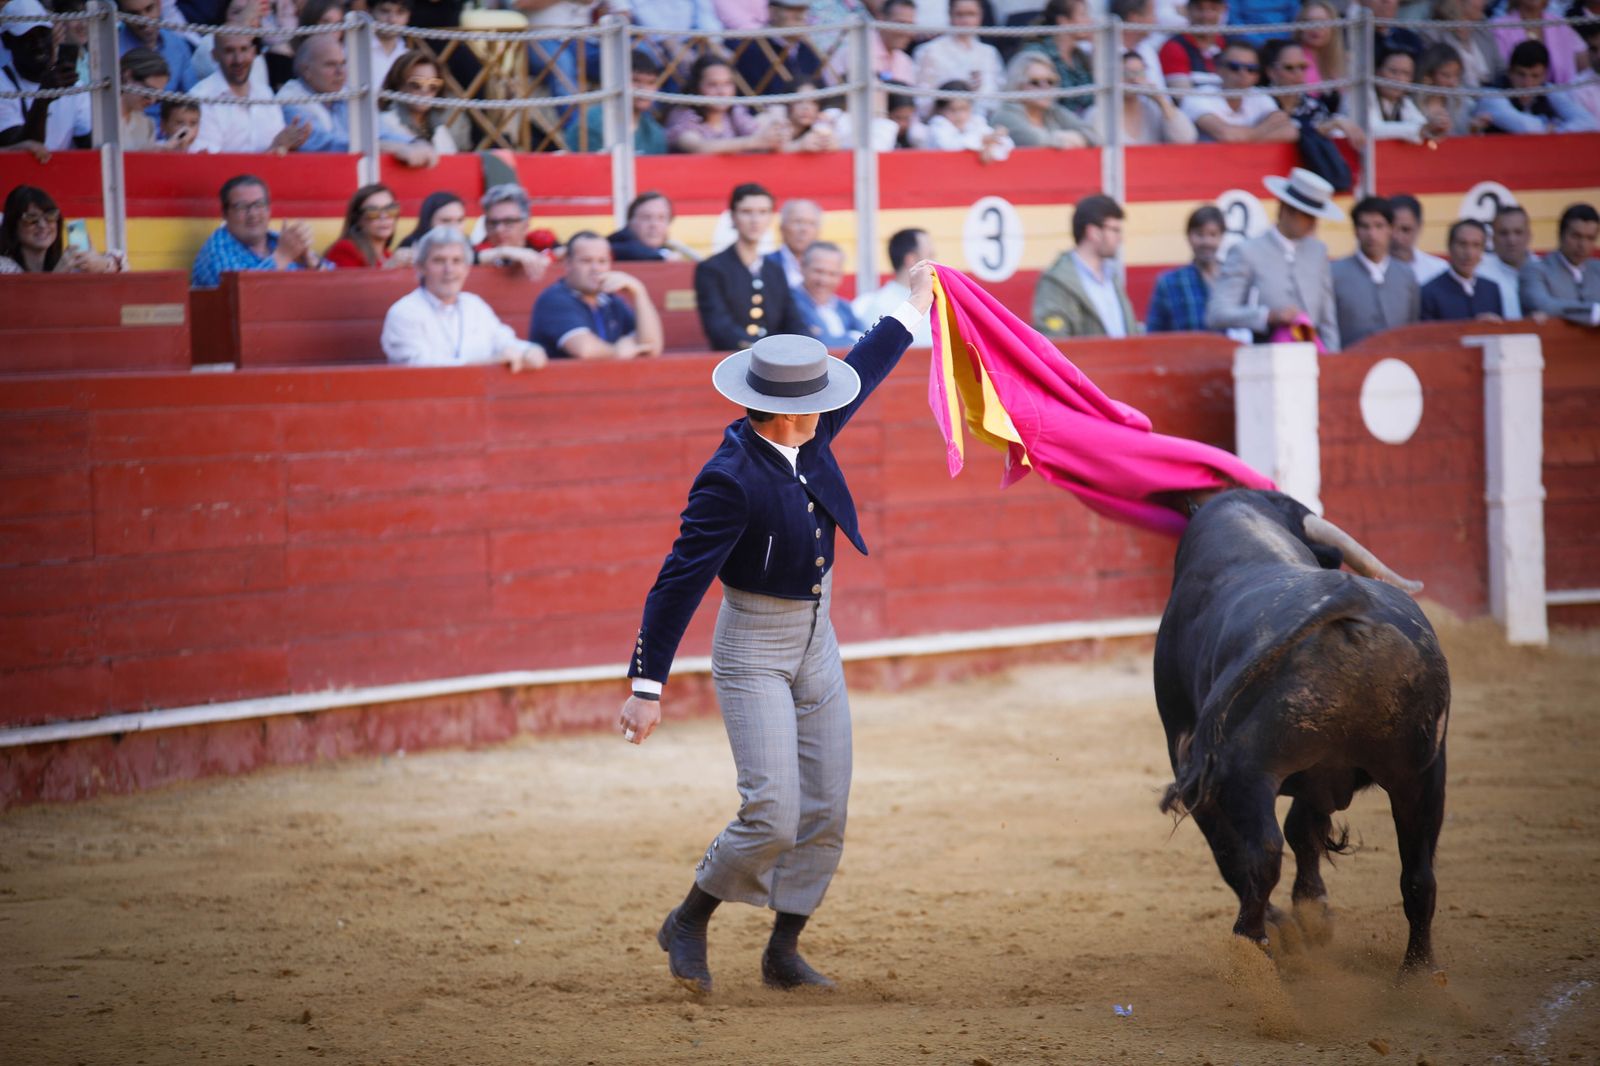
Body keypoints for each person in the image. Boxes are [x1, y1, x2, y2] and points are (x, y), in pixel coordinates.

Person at [618, 259, 937, 997]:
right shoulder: (729, 478)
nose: (831, 406)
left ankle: (782, 950)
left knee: (825, 806)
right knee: (772, 812)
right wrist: (646, 685)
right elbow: (678, 582)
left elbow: (869, 363)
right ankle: (691, 916)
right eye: (819, 401)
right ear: (790, 411)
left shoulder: (810, 434)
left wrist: (913, 302)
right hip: (753, 647)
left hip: (816, 638)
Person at [1207, 166, 1343, 351]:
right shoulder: (1247, 251)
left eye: (1315, 216)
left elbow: (1327, 319)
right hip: (1264, 357)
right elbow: (1217, 314)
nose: (1313, 223)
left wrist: (1333, 361)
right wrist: (1268, 316)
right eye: (1307, 215)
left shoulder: (1317, 251)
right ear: (1286, 210)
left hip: (1314, 356)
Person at [381, 226, 549, 369]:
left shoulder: (474, 305)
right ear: (421, 267)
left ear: (467, 268)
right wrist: (488, 363)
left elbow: (504, 341)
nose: (449, 270)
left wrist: (529, 351)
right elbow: (420, 367)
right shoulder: (403, 312)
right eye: (439, 261)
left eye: (457, 261)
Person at [279, 34, 435, 163]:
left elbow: (380, 131)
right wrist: (383, 147)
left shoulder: (347, 95)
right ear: (307, 71)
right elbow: (324, 145)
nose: (340, 72)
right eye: (331, 65)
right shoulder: (291, 100)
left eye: (343, 63)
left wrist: (415, 143)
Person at [695, 182, 810, 351]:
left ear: (770, 217)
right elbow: (719, 327)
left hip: (776, 366)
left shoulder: (774, 270)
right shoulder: (712, 269)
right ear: (733, 217)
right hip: (731, 361)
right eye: (746, 212)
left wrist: (806, 345)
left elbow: (793, 320)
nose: (755, 220)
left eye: (763, 212)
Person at [529, 231, 664, 360]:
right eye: (586, 261)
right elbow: (584, 349)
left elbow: (651, 347)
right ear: (568, 264)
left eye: (602, 261)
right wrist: (617, 352)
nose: (596, 269)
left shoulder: (610, 301)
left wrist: (639, 292)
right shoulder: (554, 299)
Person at [190, 173, 322, 287]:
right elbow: (241, 298)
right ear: (225, 214)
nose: (253, 214)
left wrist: (314, 266)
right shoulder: (215, 251)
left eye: (259, 205)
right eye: (242, 207)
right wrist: (282, 257)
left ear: (269, 210)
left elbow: (335, 286)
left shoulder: (280, 241)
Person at [1033, 194, 1136, 339]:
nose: (1120, 238)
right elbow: (1055, 341)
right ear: (1093, 232)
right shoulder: (1056, 281)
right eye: (1114, 230)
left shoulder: (1111, 276)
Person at [192, 34, 310, 154]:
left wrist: (291, 144)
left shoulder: (265, 93)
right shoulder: (201, 97)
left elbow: (278, 152)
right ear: (214, 55)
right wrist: (277, 146)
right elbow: (207, 165)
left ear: (253, 52)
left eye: (244, 49)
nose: (239, 59)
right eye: (229, 51)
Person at [0, 0, 92, 151]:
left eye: (43, 34)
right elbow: (23, 152)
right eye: (27, 37)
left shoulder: (74, 85)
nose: (39, 44)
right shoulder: (2, 84)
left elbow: (89, 144)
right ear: (7, 41)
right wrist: (43, 99)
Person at [1331, 196, 1421, 349]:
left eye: (1379, 226)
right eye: (1365, 226)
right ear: (1356, 231)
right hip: (1350, 364)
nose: (1372, 234)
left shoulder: (1406, 275)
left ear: (1391, 229)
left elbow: (1413, 326)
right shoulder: (1334, 273)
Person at [667, 54, 786, 154]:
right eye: (713, 85)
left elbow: (757, 133)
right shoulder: (684, 114)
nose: (722, 92)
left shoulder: (734, 112)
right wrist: (755, 141)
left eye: (727, 84)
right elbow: (699, 147)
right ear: (697, 88)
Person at [1182, 41, 1298, 143]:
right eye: (1234, 67)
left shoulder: (1259, 96)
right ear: (1218, 69)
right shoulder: (1199, 96)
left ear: (1257, 75)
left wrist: (1246, 137)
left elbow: (1289, 130)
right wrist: (1263, 131)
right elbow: (1227, 135)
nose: (1243, 74)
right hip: (1206, 164)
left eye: (1251, 69)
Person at [1473, 40, 1599, 133]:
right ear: (1510, 72)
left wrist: (1557, 130)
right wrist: (1549, 126)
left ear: (1544, 75)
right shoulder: (1491, 95)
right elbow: (1527, 128)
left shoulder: (1548, 90)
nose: (1527, 83)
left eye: (1535, 76)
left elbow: (1588, 122)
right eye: (1521, 74)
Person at [0, 184, 121, 273]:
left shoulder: (67, 263)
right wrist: (58, 274)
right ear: (13, 225)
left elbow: (123, 263)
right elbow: (26, 303)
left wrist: (102, 264)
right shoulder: (4, 267)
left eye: (50, 216)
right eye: (31, 218)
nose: (42, 225)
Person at [914, 0, 1005, 116]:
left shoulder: (990, 53)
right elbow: (922, 102)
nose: (966, 21)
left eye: (971, 14)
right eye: (960, 14)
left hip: (982, 123)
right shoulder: (930, 51)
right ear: (950, 15)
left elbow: (999, 97)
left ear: (981, 15)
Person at [1086, 50, 1196, 145]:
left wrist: (1161, 101)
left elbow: (1186, 139)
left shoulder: (1154, 110)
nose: (1134, 80)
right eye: (1127, 74)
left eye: (1140, 73)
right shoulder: (1097, 114)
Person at [992, 52, 1099, 148]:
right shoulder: (1004, 115)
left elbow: (1094, 135)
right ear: (1017, 85)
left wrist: (1064, 138)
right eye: (1035, 82)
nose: (1045, 87)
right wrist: (1067, 138)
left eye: (1050, 81)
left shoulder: (1054, 111)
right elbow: (1035, 140)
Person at [1146, 204, 1224, 333]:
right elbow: (1154, 335)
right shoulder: (1169, 283)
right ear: (1188, 236)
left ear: (1222, 237)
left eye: (1213, 234)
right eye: (1199, 234)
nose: (1206, 242)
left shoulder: (1234, 279)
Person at [1520, 202, 1600, 326]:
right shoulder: (1536, 270)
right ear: (1560, 234)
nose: (1582, 245)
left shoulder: (1597, 270)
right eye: (1576, 236)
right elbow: (1544, 306)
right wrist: (1594, 312)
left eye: (1590, 238)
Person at [574, 50, 668, 155]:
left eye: (651, 83)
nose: (644, 89)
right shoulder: (592, 121)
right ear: (616, 81)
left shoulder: (655, 133)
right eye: (635, 81)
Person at [379, 49, 470, 154]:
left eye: (433, 86)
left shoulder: (440, 130)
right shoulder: (385, 122)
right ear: (399, 85)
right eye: (416, 84)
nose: (424, 91)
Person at [855, 227, 934, 346]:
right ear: (911, 260)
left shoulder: (864, 304)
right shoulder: (866, 305)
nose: (936, 265)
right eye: (931, 256)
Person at [733, 0, 829, 95]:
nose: (800, 16)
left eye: (803, 10)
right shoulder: (753, 51)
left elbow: (823, 92)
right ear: (773, 12)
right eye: (792, 10)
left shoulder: (806, 50)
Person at [1420, 218, 1504, 322]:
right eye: (1462, 244)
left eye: (1476, 245)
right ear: (1450, 246)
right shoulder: (1429, 292)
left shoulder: (1491, 290)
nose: (1469, 253)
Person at [1019, 0, 1095, 114]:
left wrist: (1097, 50)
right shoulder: (1037, 53)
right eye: (1083, 15)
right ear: (1063, 21)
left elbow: (1093, 98)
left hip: (1080, 124)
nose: (1090, 21)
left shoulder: (1080, 57)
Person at [791, 241, 866, 347]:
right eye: (818, 271)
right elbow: (819, 345)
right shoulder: (790, 304)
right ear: (802, 267)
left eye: (832, 274)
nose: (824, 280)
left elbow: (869, 340)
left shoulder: (844, 307)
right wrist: (853, 338)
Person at [1492, 0, 1585, 84]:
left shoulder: (1561, 25)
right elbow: (1501, 72)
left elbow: (1585, 61)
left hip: (1562, 95)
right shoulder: (1498, 28)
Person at [116, 0, 198, 95]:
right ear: (122, 15)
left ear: (160, 5)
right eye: (134, 14)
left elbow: (191, 95)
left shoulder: (177, 44)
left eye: (149, 9)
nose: (144, 20)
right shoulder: (112, 51)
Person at [474, 183, 552, 282]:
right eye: (493, 222)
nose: (499, 229)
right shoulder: (476, 252)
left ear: (526, 224)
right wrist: (502, 251)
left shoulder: (543, 245)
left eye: (508, 222)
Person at [324, 183, 412, 269]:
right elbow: (350, 284)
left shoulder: (387, 255)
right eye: (373, 211)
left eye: (391, 209)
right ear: (357, 219)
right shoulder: (345, 249)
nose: (384, 216)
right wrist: (389, 267)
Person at [119, 48, 188, 151]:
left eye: (158, 96)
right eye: (149, 92)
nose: (152, 101)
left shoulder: (147, 125)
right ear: (128, 76)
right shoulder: (98, 118)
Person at [925, 79, 1014, 159]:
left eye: (964, 109)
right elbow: (949, 146)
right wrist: (982, 141)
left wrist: (991, 144)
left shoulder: (975, 122)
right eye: (953, 110)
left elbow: (1008, 145)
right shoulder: (937, 125)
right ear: (940, 110)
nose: (959, 115)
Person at [1477, 203, 1537, 319]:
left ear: (1529, 235)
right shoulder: (1479, 272)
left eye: (1518, 232)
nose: (1511, 240)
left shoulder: (1545, 270)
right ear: (1492, 238)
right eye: (1503, 233)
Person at [608, 191, 697, 262]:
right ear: (630, 222)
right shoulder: (615, 244)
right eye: (646, 217)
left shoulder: (671, 249)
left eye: (661, 218)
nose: (654, 225)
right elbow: (628, 250)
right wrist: (661, 256)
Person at [1158, 0, 1226, 90]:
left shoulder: (1229, 45)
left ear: (1223, 11)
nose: (1206, 15)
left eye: (1213, 9)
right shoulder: (1174, 47)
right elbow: (1182, 96)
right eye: (1199, 9)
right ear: (1188, 10)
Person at [1388, 194, 1449, 287]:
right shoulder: (1369, 271)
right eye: (1391, 228)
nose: (1397, 237)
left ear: (1419, 227)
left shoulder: (1439, 271)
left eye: (1405, 230)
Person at [768, 198, 822, 291]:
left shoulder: (825, 268)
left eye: (811, 223)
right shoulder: (765, 265)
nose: (804, 229)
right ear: (782, 228)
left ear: (818, 231)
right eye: (798, 222)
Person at [397, 190, 467, 251]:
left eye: (459, 220)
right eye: (446, 221)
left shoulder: (467, 244)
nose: (454, 227)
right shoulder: (410, 245)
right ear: (428, 222)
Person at [369, 0, 411, 89]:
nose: (392, 20)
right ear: (371, 11)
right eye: (385, 11)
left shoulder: (407, 54)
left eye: (400, 12)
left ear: (408, 16)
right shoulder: (354, 49)